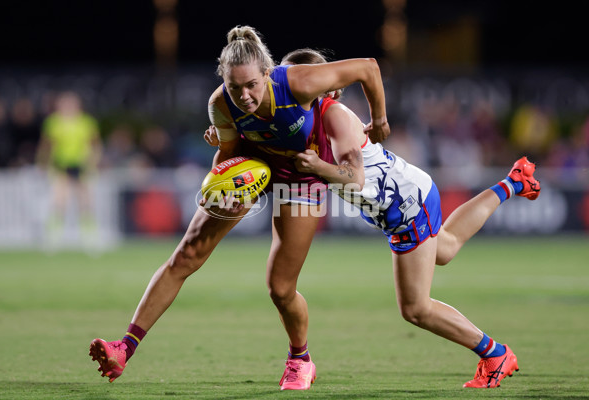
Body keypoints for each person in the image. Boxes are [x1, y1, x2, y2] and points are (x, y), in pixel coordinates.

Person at [206, 47, 541, 389]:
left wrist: (319, 166)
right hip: (404, 198)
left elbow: (355, 179)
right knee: (446, 247)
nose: (289, 90)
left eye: (297, 82)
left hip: (406, 204)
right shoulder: (297, 124)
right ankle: (514, 182)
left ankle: (495, 353)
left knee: (415, 308)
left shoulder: (333, 115)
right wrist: (226, 137)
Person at [89, 25, 389, 391]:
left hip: (302, 173)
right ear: (224, 81)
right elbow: (228, 154)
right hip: (253, 169)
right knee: (185, 256)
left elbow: (369, 68)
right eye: (235, 87)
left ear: (267, 72)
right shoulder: (220, 104)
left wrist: (381, 120)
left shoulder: (299, 82)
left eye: (252, 85)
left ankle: (300, 360)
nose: (244, 95)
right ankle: (124, 347)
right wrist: (212, 187)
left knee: (280, 289)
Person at [36, 91, 102, 249]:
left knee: (85, 202)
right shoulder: (53, 123)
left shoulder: (86, 122)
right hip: (60, 165)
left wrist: (93, 162)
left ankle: (90, 237)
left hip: (81, 165)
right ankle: (53, 237)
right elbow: (47, 145)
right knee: (60, 201)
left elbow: (95, 144)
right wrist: (42, 163)